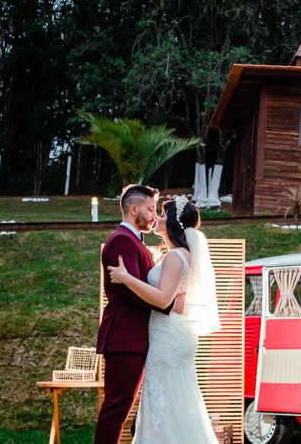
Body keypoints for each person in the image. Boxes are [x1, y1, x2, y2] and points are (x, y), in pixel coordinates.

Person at [108, 197, 221, 444]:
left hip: (168, 336)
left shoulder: (174, 257)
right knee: (178, 399)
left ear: (171, 222)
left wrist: (126, 278)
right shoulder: (183, 255)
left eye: (161, 214)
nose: (156, 218)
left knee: (164, 397)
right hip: (177, 334)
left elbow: (162, 299)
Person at [95, 185, 177, 444]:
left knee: (122, 409)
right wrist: (167, 302)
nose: (154, 216)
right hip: (125, 338)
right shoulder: (121, 240)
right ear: (133, 209)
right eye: (151, 209)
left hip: (135, 338)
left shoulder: (133, 241)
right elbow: (129, 289)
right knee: (116, 409)